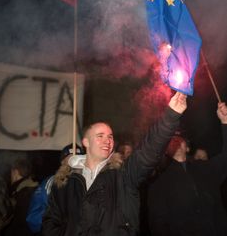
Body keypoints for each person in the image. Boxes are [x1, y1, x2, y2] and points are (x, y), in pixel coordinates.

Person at [42, 91, 187, 236]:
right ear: (86, 142)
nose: (108, 141)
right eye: (100, 136)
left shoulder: (124, 175)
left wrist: (171, 115)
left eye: (110, 137)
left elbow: (148, 151)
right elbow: (51, 223)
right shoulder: (64, 181)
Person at [148, 101, 227, 236]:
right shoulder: (159, 183)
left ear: (188, 147)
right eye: (171, 138)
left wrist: (225, 122)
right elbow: (158, 225)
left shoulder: (205, 168)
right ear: (165, 150)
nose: (175, 139)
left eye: (180, 137)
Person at [26, 144, 84, 235]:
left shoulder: (91, 180)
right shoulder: (52, 183)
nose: (76, 161)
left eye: (79, 158)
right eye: (71, 158)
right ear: (62, 161)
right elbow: (34, 216)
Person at [2, 157, 38, 236]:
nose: (10, 175)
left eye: (11, 172)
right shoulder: (34, 189)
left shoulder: (21, 194)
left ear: (15, 172)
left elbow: (14, 224)